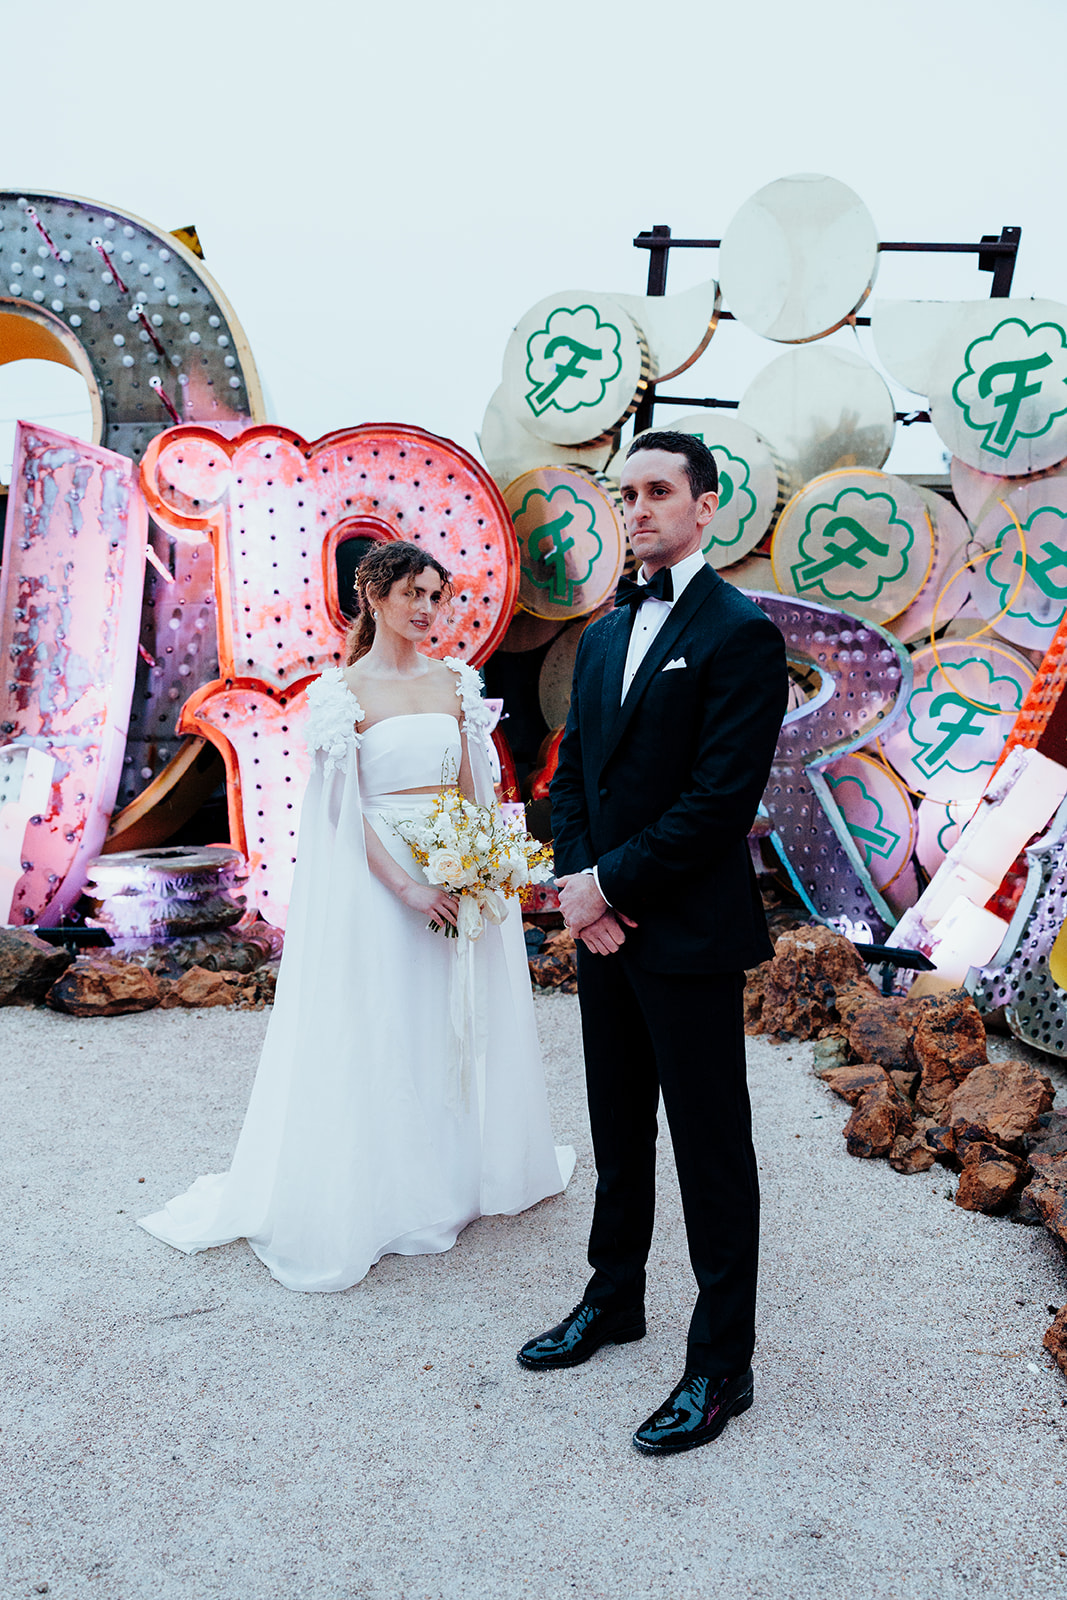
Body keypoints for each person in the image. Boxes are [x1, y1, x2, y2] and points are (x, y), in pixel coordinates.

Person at [141, 541, 572, 1291]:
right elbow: (341, 811)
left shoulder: (457, 683)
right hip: (382, 881)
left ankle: (455, 1173)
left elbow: (476, 788)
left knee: (450, 1019)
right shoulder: (341, 693)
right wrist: (408, 888)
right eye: (413, 593)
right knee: (384, 1020)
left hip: (454, 866)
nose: (428, 609)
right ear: (374, 597)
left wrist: (480, 870)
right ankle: (386, 1185)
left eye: (437, 595)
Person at [517, 431, 788, 1456]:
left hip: (685, 934)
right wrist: (583, 894)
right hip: (606, 934)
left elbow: (716, 804)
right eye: (624, 493)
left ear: (706, 506)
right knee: (616, 1125)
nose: (637, 508)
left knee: (711, 1150)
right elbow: (570, 777)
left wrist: (604, 885)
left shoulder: (738, 633)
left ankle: (722, 1362)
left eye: (658, 490)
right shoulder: (597, 634)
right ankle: (612, 1297)